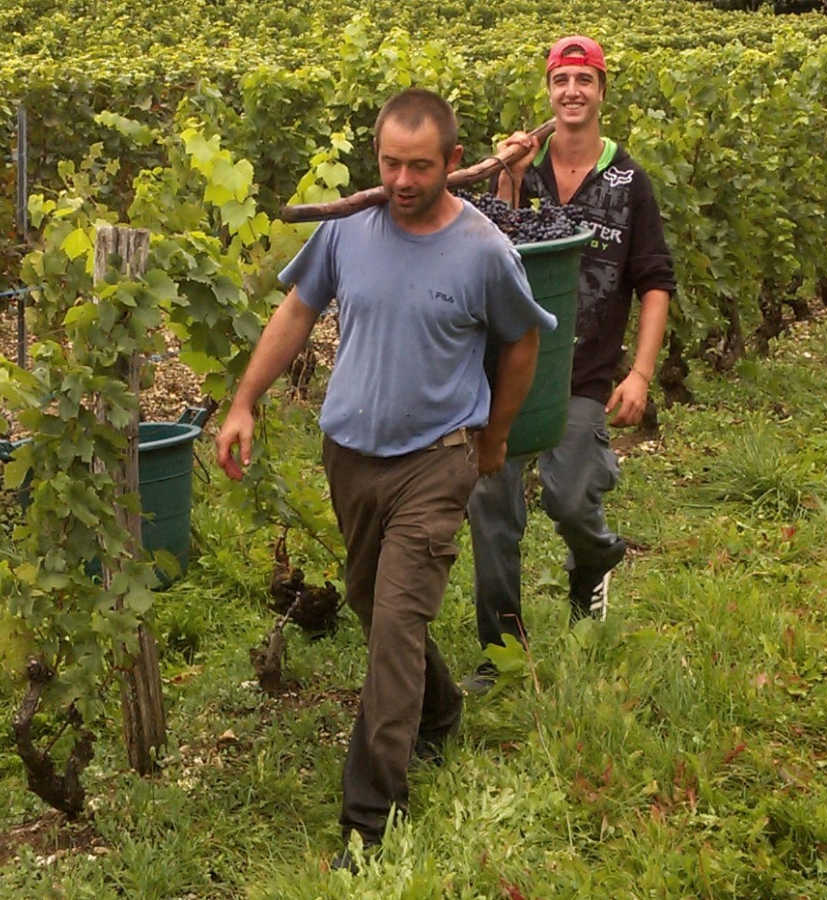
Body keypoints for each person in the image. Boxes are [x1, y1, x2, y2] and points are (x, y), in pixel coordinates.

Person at [215, 88, 557, 866]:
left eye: (420, 166)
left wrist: (494, 437)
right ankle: (438, 712)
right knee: (377, 612)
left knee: (396, 627)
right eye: (390, 164)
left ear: (451, 162)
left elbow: (522, 344)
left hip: (438, 460)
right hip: (350, 457)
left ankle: (369, 821)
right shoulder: (347, 233)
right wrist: (244, 401)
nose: (402, 181)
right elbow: (296, 313)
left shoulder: (482, 252)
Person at [464, 35, 676, 692]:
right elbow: (496, 238)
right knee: (491, 503)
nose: (572, 93)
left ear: (602, 91)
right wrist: (503, 172)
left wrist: (639, 374)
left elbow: (655, 281)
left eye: (584, 81)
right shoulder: (522, 169)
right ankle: (503, 649)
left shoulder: (627, 181)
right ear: (549, 92)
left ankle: (596, 559)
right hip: (509, 368)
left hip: (583, 375)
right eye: (561, 82)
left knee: (568, 495)